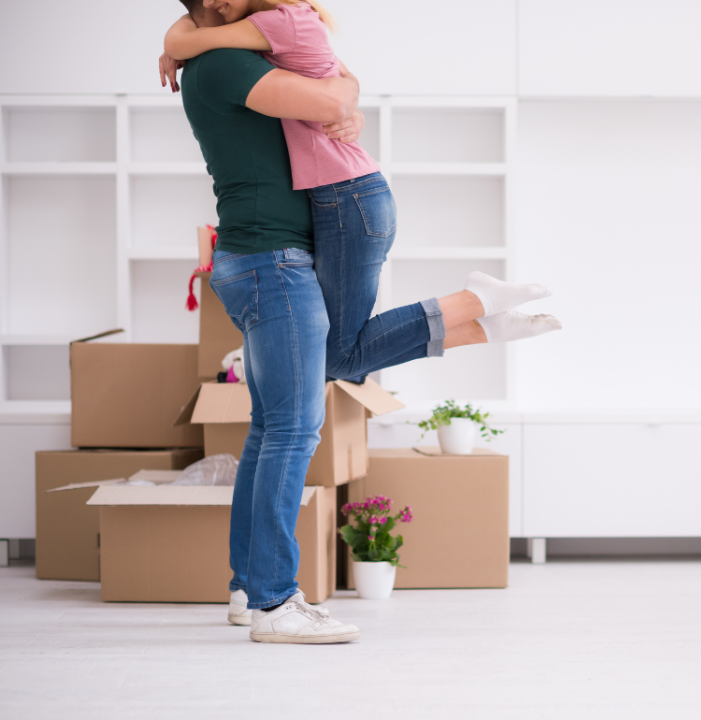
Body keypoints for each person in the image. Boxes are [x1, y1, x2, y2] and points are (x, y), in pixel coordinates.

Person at [163, 1, 561, 645]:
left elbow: (339, 87)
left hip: (262, 258)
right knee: (294, 429)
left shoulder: (221, 55)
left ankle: (248, 589)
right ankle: (273, 603)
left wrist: (339, 95)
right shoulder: (223, 63)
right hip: (272, 262)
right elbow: (333, 102)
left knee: (272, 429)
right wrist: (340, 99)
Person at [162, 0, 562, 384]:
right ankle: (479, 326)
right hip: (350, 195)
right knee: (338, 356)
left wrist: (173, 49)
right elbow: (338, 78)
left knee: (337, 358)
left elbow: (191, 39)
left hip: (347, 198)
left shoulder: (280, 22)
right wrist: (352, 108)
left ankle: (476, 303)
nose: (216, 5)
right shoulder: (278, 29)